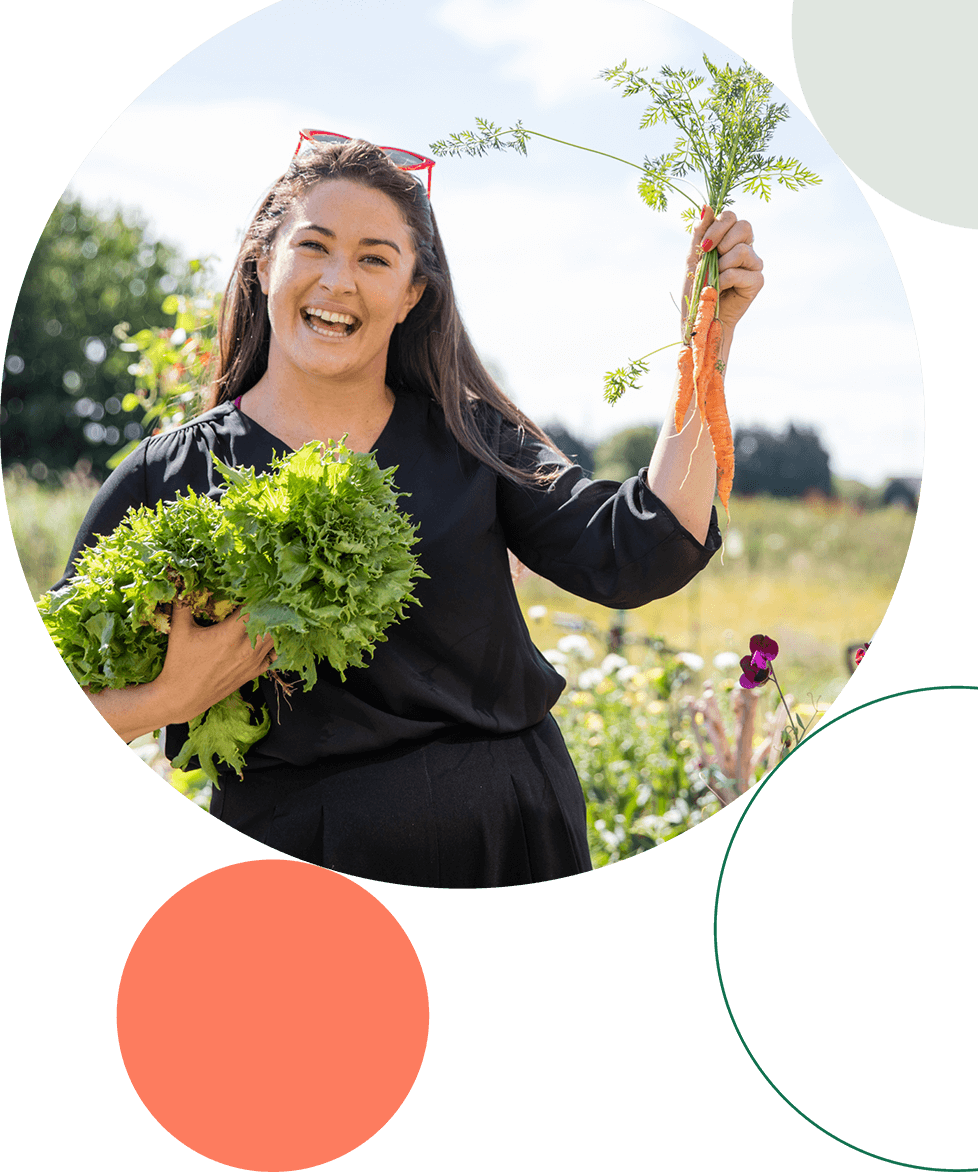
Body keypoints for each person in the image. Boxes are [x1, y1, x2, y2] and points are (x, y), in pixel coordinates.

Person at [53, 132, 765, 888]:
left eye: (374, 258)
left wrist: (707, 340)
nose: (339, 282)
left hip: (513, 839)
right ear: (263, 265)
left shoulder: (472, 437)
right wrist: (170, 698)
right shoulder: (169, 476)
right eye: (315, 247)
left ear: (411, 294)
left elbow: (638, 550)